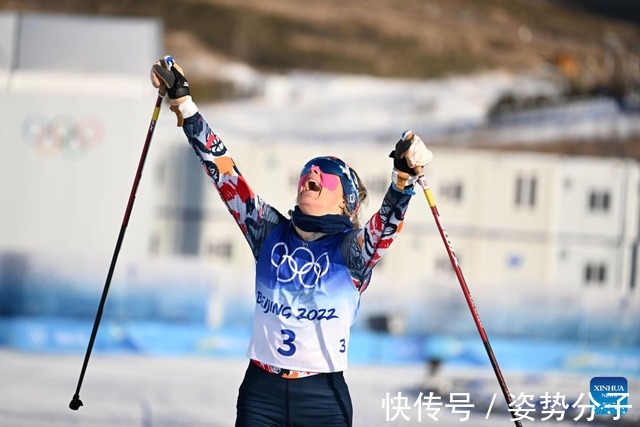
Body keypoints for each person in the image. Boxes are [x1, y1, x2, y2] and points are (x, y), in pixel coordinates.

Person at [151, 58, 433, 427]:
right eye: (308, 171)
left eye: (326, 174)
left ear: (346, 202)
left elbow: (384, 229)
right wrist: (184, 105)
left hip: (321, 397)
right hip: (261, 392)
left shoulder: (350, 251)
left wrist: (402, 182)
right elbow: (223, 173)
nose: (311, 173)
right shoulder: (269, 230)